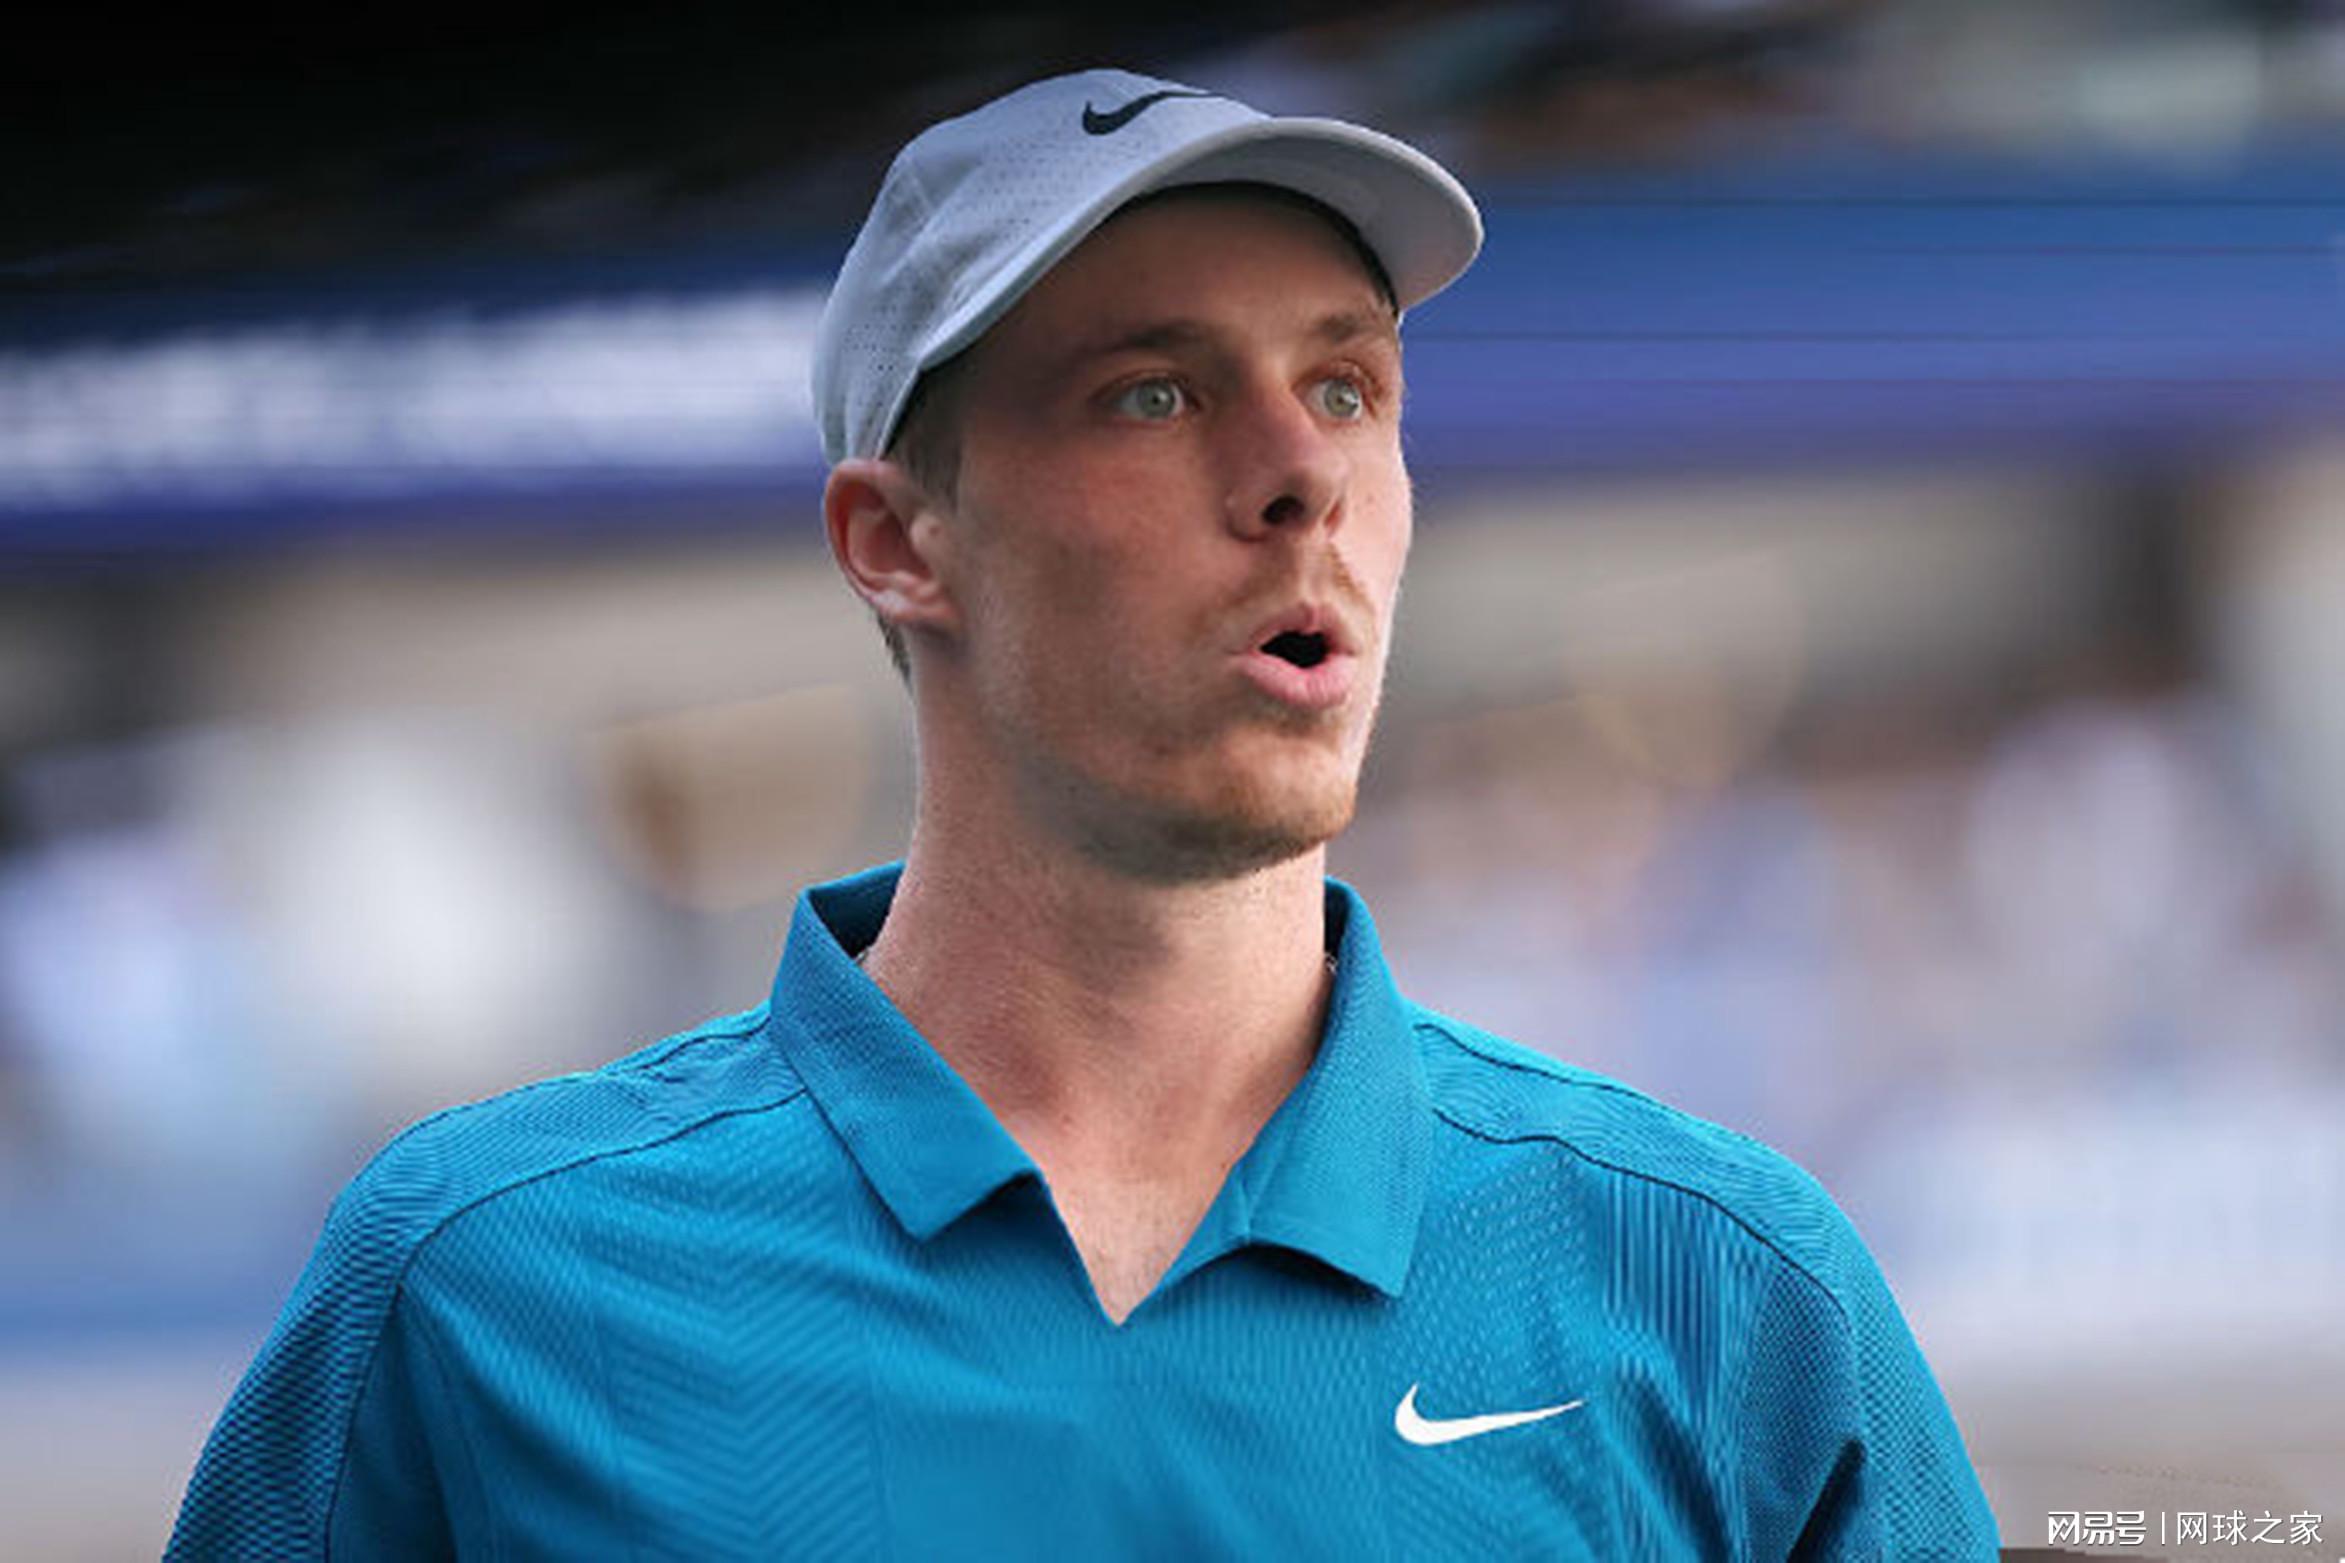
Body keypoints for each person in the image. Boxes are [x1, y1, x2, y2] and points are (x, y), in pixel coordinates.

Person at [169, 68, 1999, 1559]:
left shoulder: (1719, 1286)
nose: (1300, 475)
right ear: (899, 542)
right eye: (1152, 392)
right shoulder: (486, 1282)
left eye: (1345, 386)